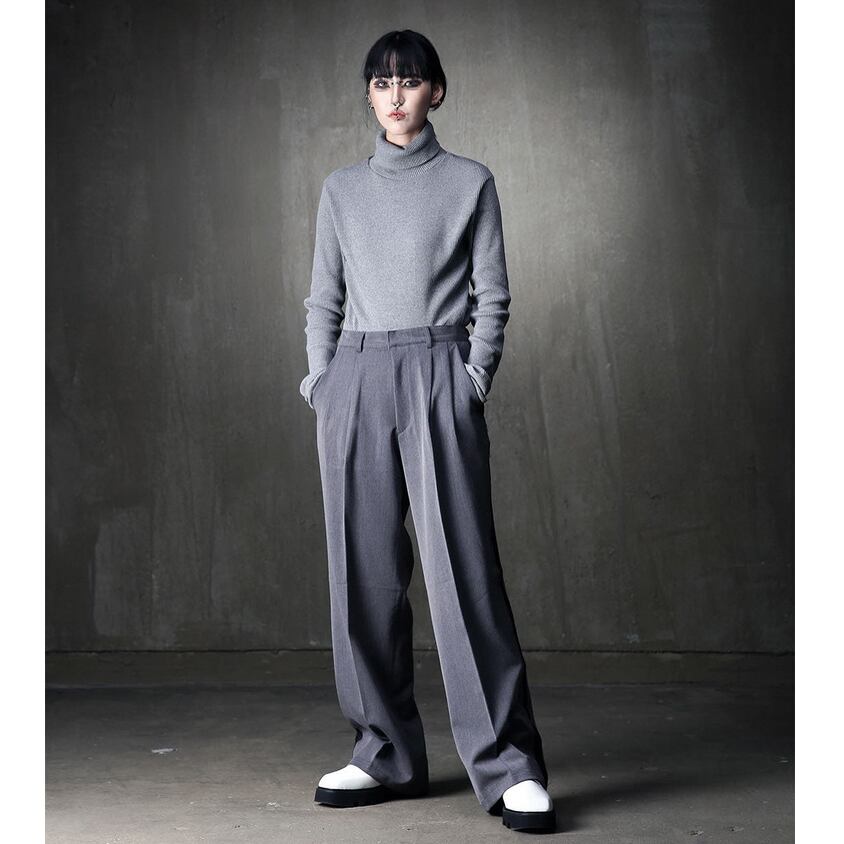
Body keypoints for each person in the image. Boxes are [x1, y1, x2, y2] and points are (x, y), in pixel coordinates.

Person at [299, 29, 556, 833]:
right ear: (369, 95)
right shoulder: (341, 189)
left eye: (408, 82)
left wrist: (472, 377)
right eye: (381, 83)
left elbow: (492, 294)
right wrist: (321, 384)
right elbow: (323, 297)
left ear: (435, 92)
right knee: (364, 576)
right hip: (355, 376)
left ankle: (509, 766)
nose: (395, 96)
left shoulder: (470, 182)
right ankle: (383, 753)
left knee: (463, 576)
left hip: (439, 370)